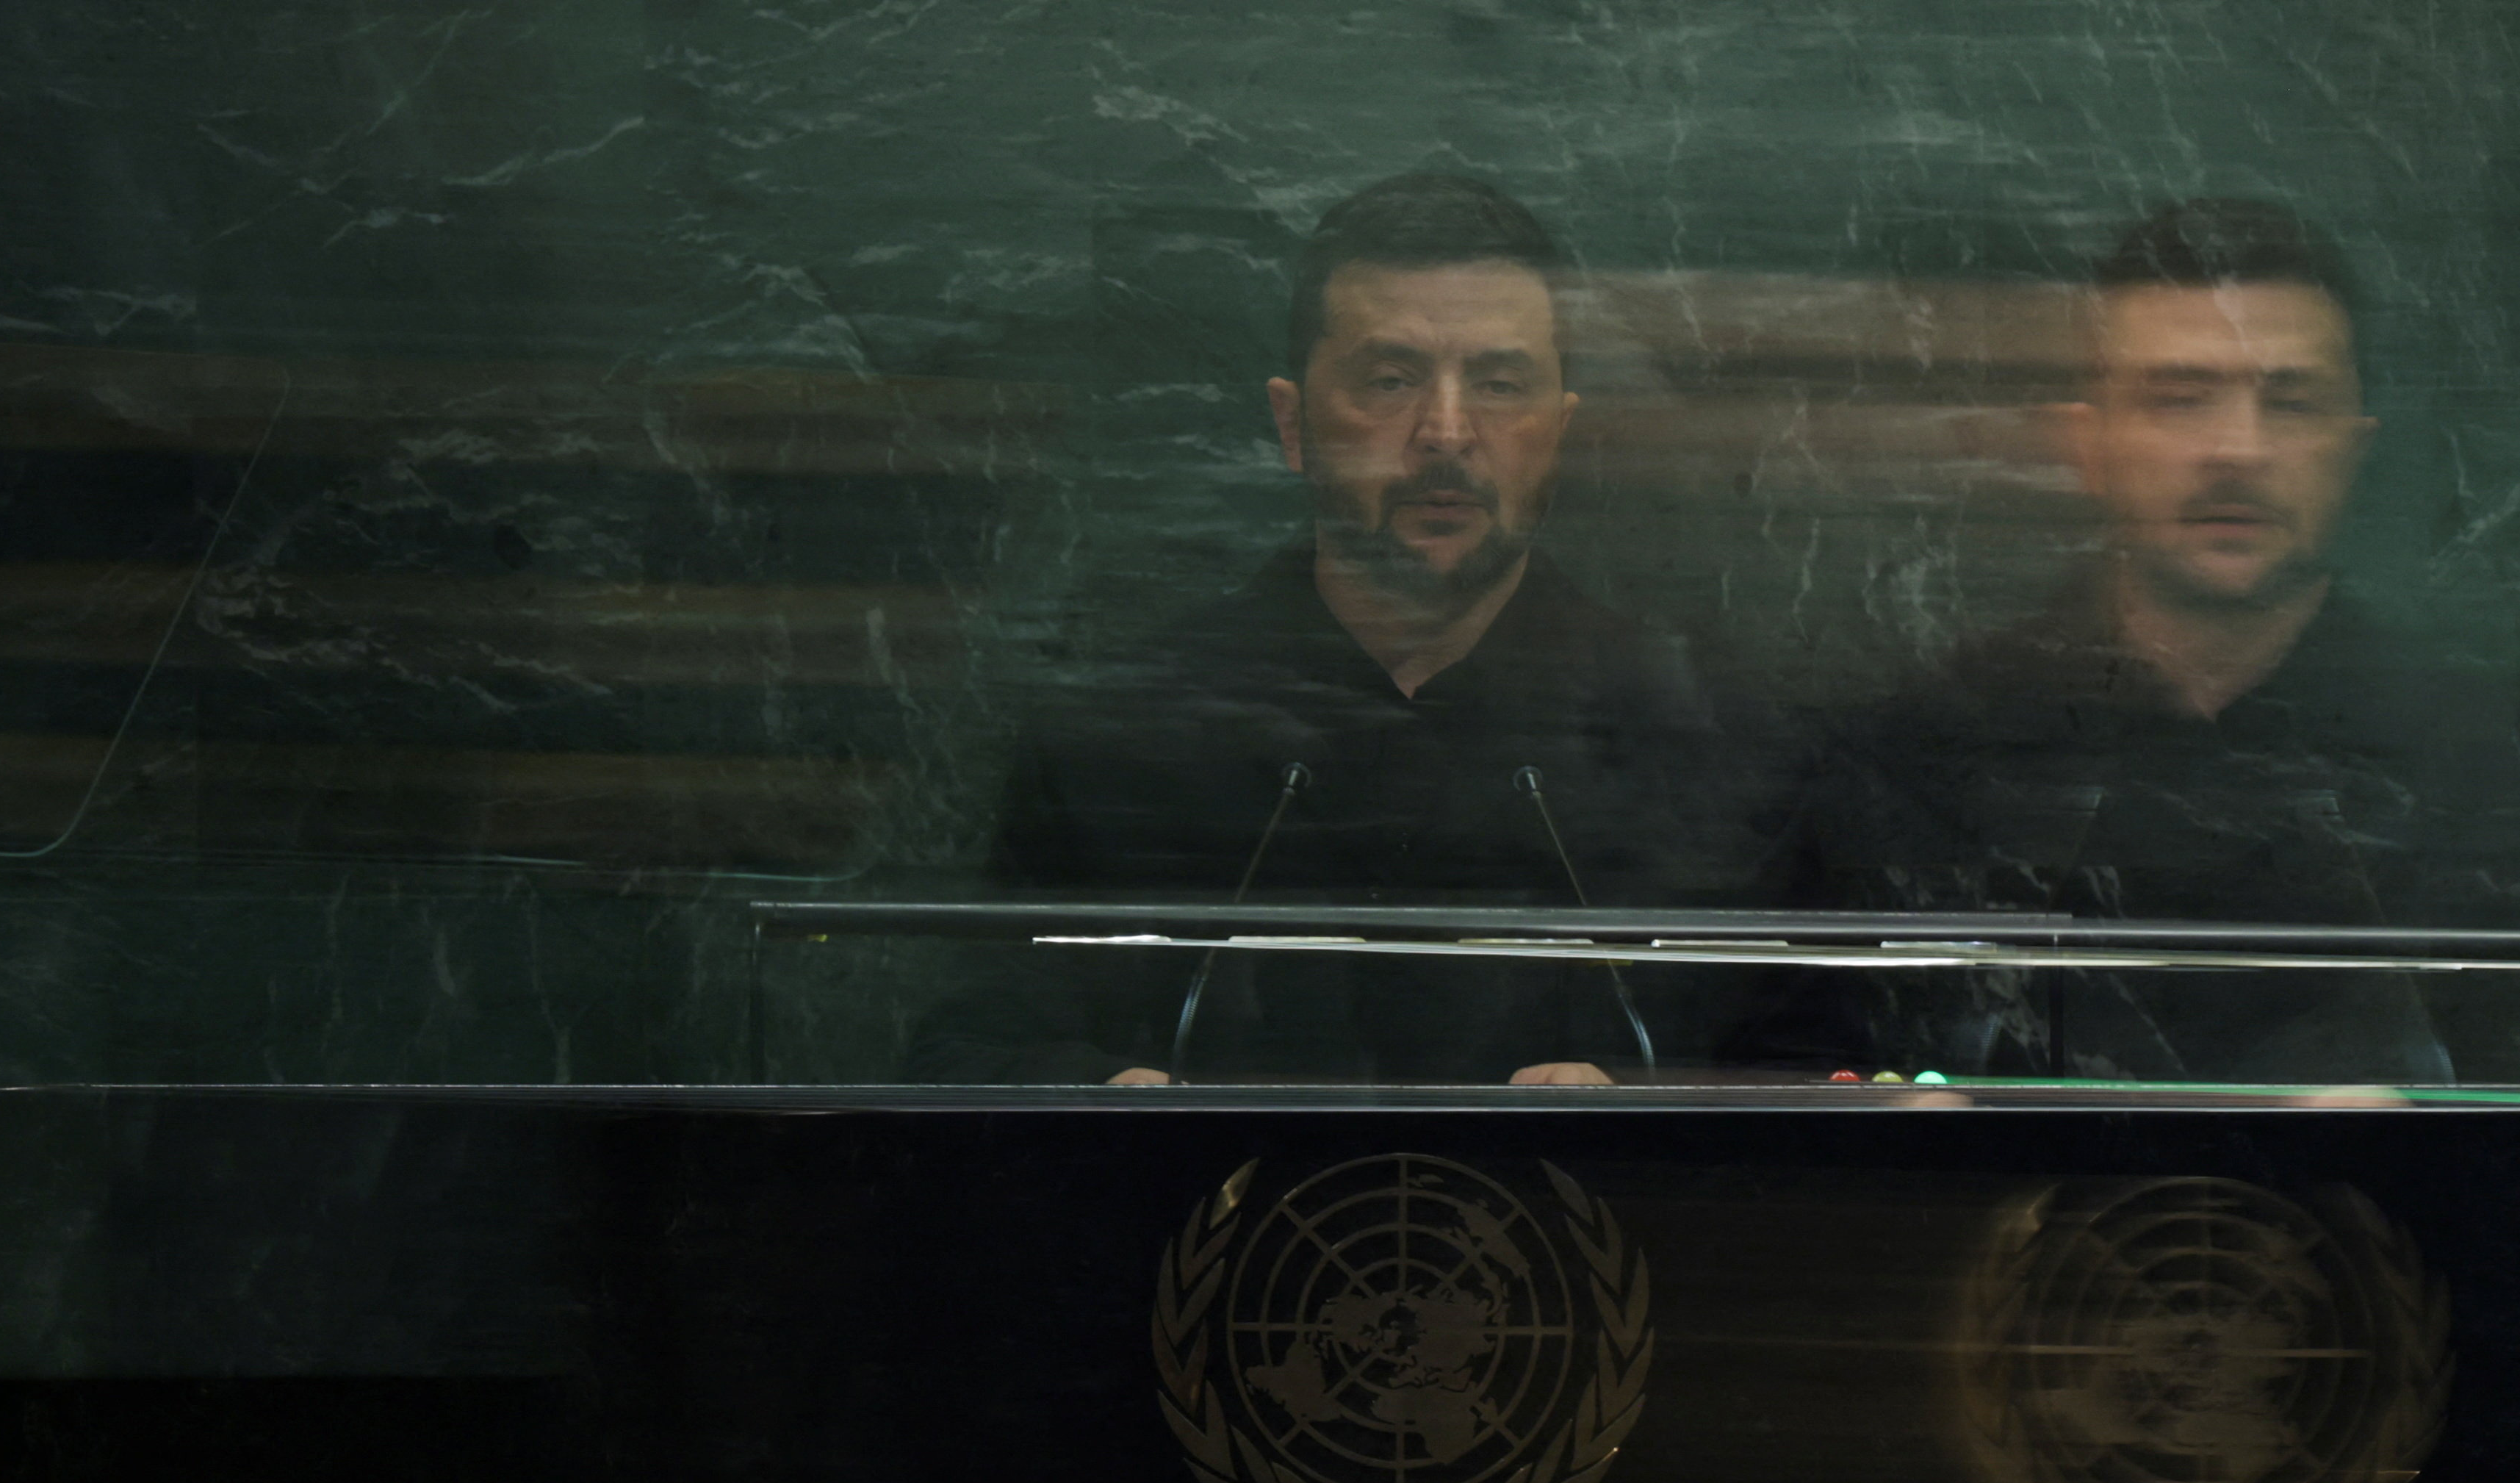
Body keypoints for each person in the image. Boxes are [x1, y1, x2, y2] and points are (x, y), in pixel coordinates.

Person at [907, 173, 1735, 1085]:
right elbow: (967, 1050)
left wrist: (1650, 1104)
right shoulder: (1118, 744)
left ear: (1560, 429)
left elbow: (1837, 1072)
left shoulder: (1698, 741)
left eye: (1500, 384)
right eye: (1391, 379)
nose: (1447, 432)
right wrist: (1102, 1100)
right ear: (1293, 424)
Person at [1775, 198, 2515, 1084]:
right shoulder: (1918, 758)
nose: (2237, 449)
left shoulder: (2486, 767)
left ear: (2354, 449)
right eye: (2180, 398)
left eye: (2292, 400)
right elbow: (1793, 1080)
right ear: (2089, 442)